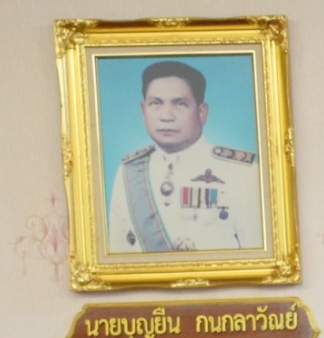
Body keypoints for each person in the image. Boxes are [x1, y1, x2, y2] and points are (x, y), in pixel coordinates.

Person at [107, 59, 260, 253]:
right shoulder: (128, 172)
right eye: (155, 103)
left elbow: (260, 258)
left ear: (202, 112)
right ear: (143, 110)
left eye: (180, 104)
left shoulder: (242, 173)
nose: (166, 116)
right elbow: (118, 259)